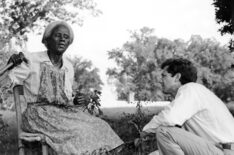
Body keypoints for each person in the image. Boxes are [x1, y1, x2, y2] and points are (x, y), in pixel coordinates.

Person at [0, 21, 123, 154]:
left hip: (62, 113)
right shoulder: (31, 59)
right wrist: (11, 65)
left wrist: (76, 101)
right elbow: (7, 82)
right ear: (47, 40)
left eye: (66, 37)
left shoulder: (68, 67)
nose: (62, 40)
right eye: (57, 36)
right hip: (38, 115)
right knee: (78, 131)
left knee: (100, 126)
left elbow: (65, 97)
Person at [140, 58, 234, 155]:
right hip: (216, 149)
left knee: (164, 131)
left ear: (177, 77)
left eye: (164, 76)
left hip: (226, 151)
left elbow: (168, 118)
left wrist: (144, 132)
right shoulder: (193, 95)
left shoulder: (190, 89)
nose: (160, 80)